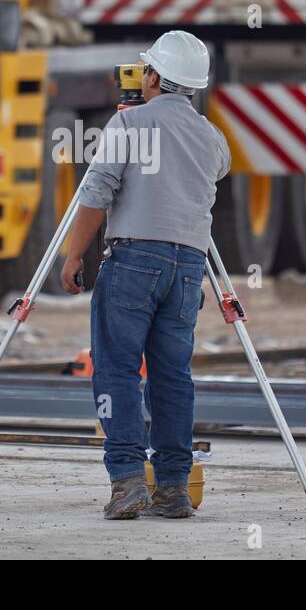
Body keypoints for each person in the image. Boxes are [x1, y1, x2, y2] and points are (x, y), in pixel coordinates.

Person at [59, 30, 231, 519]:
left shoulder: (129, 125)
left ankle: (129, 480)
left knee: (116, 370)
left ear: (153, 77)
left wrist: (74, 256)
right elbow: (215, 170)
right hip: (187, 269)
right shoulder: (211, 136)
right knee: (172, 376)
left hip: (134, 261)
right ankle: (174, 487)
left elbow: (98, 190)